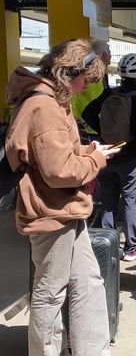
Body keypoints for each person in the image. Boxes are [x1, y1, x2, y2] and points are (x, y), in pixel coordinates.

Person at [5, 38, 119, 355]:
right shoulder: (43, 106)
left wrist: (88, 150)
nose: (86, 88)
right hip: (51, 211)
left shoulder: (50, 101)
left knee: (88, 282)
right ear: (69, 72)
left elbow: (56, 154)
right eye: (86, 79)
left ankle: (92, 350)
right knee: (50, 290)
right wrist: (95, 160)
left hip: (65, 209)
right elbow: (58, 171)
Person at [93, 53, 136, 261]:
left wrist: (102, 133)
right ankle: (132, 247)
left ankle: (106, 246)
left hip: (107, 155)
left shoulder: (109, 93)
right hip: (130, 159)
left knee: (107, 201)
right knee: (129, 201)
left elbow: (88, 112)